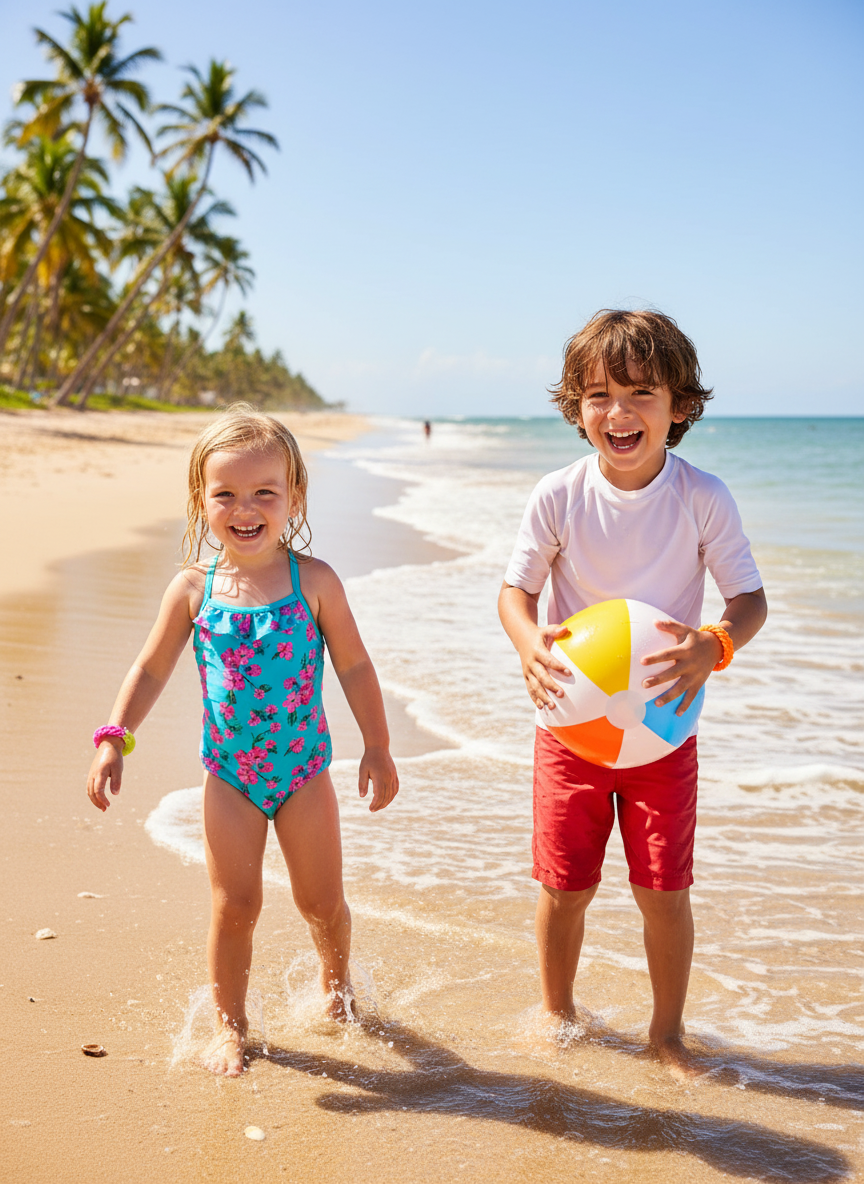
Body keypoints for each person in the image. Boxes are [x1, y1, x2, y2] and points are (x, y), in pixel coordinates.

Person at [86, 404, 399, 1076]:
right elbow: (150, 668)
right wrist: (116, 736)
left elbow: (353, 665)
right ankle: (232, 1028)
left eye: (265, 492)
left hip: (303, 774)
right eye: (226, 493)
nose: (245, 508)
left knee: (321, 902)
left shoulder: (312, 582)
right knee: (236, 906)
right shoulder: (193, 590)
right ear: (202, 500)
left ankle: (336, 988)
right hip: (229, 776)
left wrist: (377, 745)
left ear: (295, 498)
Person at [498, 310, 766, 1072]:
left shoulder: (703, 496)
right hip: (568, 728)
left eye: (641, 392)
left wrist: (714, 645)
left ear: (680, 405)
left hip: (664, 732)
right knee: (564, 887)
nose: (618, 412)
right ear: (576, 410)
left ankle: (667, 1034)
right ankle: (556, 1012)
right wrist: (528, 644)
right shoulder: (558, 494)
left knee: (663, 892)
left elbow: (749, 601)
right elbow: (514, 592)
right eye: (598, 395)